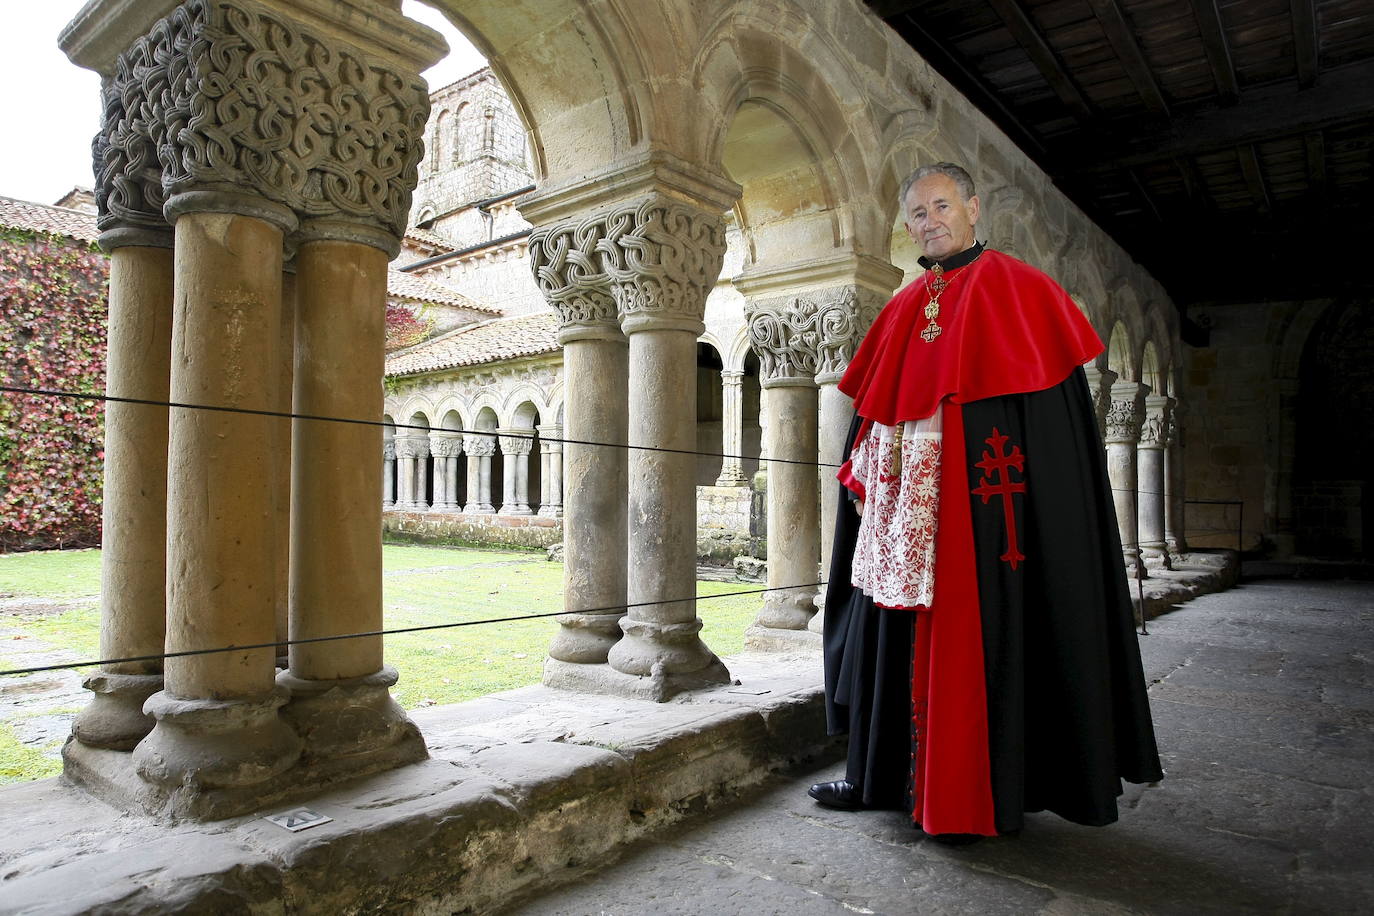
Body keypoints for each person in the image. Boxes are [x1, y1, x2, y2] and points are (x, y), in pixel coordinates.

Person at [810, 162, 1163, 841]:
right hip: (903, 527)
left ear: (973, 209)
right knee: (886, 638)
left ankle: (986, 794)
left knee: (992, 647)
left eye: (942, 205)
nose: (929, 220)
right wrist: (870, 480)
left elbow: (1058, 445)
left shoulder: (1025, 294)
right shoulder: (902, 307)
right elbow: (873, 420)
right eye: (917, 212)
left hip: (990, 525)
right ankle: (877, 779)